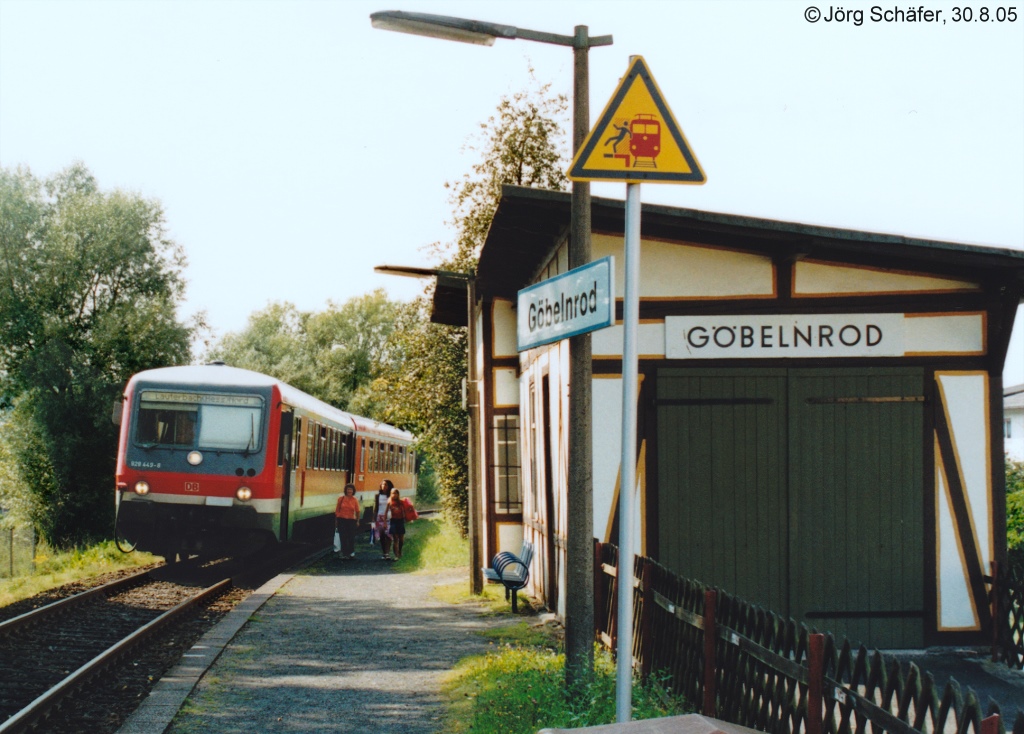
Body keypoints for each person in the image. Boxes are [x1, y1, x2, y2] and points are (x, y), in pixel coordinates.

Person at [334, 483, 360, 559]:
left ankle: (351, 552)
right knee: (343, 537)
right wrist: (336, 520)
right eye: (348, 489)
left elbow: (358, 511)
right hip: (342, 520)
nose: (349, 491)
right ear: (345, 490)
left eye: (351, 490)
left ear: (353, 491)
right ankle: (345, 553)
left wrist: (358, 521)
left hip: (351, 520)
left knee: (351, 537)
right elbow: (337, 510)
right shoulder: (341, 499)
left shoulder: (355, 500)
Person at [386, 487, 408, 560]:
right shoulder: (389, 502)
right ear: (390, 494)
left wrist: (407, 517)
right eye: (392, 493)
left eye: (395, 493)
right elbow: (386, 512)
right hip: (393, 521)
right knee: (395, 539)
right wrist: (385, 522)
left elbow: (405, 510)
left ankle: (400, 551)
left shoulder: (401, 502)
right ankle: (396, 555)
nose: (394, 495)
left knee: (401, 539)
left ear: (398, 494)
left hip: (400, 521)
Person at [374, 479, 393, 560]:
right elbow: (376, 508)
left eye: (386, 485)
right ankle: (384, 553)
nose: (384, 486)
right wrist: (373, 519)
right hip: (380, 517)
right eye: (383, 484)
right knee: (382, 535)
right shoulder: (378, 496)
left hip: (389, 517)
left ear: (389, 486)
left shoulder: (391, 496)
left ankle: (387, 553)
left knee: (388, 535)